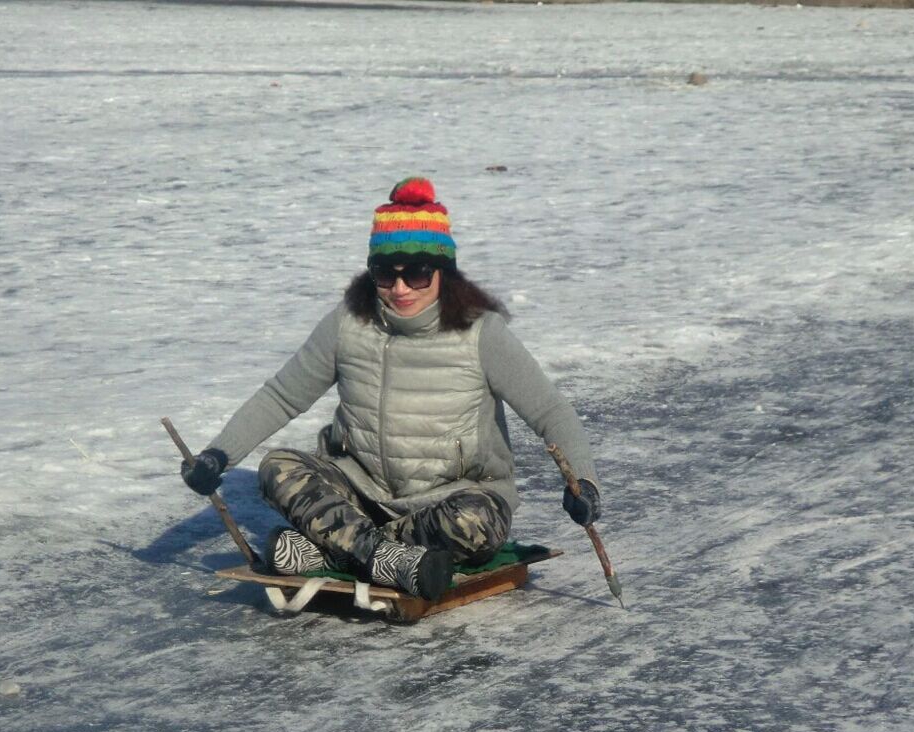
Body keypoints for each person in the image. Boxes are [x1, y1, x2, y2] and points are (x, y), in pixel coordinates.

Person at [180, 177, 601, 601]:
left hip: (453, 500)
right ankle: (385, 558)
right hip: (360, 493)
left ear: (442, 273)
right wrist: (218, 455)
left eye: (417, 274)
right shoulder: (348, 323)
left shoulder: (481, 333)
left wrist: (583, 482)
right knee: (278, 467)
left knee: (475, 524)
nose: (400, 289)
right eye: (385, 274)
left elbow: (550, 410)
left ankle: (334, 549)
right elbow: (282, 395)